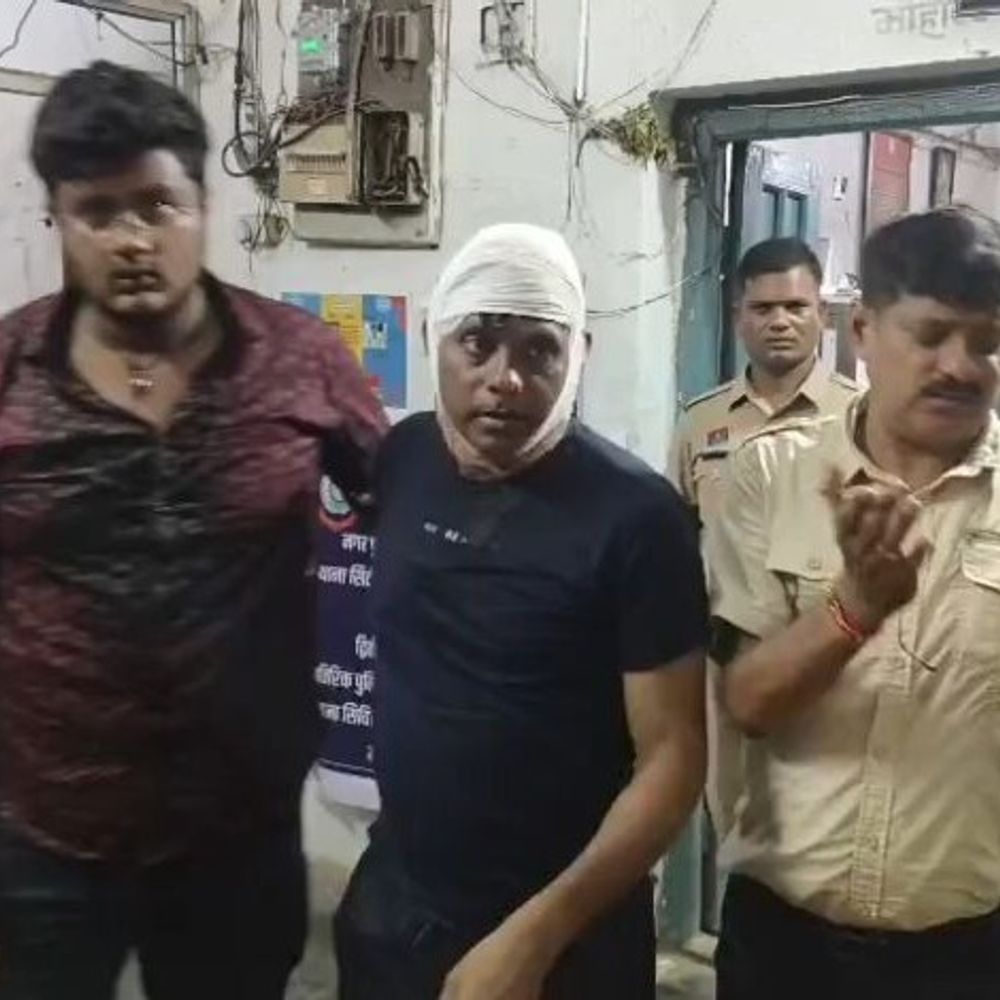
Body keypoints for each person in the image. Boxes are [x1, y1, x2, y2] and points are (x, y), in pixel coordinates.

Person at [0, 62, 385, 999]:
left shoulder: (302, 365)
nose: (133, 239)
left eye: (157, 205)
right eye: (98, 212)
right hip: (43, 838)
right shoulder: (9, 370)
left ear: (203, 206)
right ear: (57, 218)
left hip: (236, 839)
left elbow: (411, 510)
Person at [334, 224, 708, 999]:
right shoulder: (405, 458)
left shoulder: (637, 518)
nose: (505, 379)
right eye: (477, 343)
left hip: (567, 936)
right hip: (399, 908)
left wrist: (536, 937)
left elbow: (673, 760)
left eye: (541, 350)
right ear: (434, 337)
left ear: (580, 355)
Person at [707, 206, 1000, 1000]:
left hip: (965, 957)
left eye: (985, 342)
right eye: (932, 334)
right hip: (784, 946)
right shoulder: (773, 474)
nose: (960, 365)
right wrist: (854, 612)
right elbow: (746, 701)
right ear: (863, 331)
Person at [669, 237, 859, 840]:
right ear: (739, 318)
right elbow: (677, 544)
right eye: (763, 308)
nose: (780, 321)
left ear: (822, 315)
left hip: (833, 663)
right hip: (729, 662)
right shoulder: (701, 422)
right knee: (735, 824)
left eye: (796, 307)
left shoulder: (861, 418)